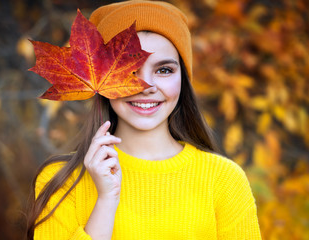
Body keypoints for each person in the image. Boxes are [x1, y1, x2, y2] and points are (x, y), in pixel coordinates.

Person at [26, 1, 262, 239]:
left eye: (164, 70)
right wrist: (106, 200)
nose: (146, 86)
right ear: (102, 81)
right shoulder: (62, 181)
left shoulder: (224, 180)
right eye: (130, 70)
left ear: (183, 79)